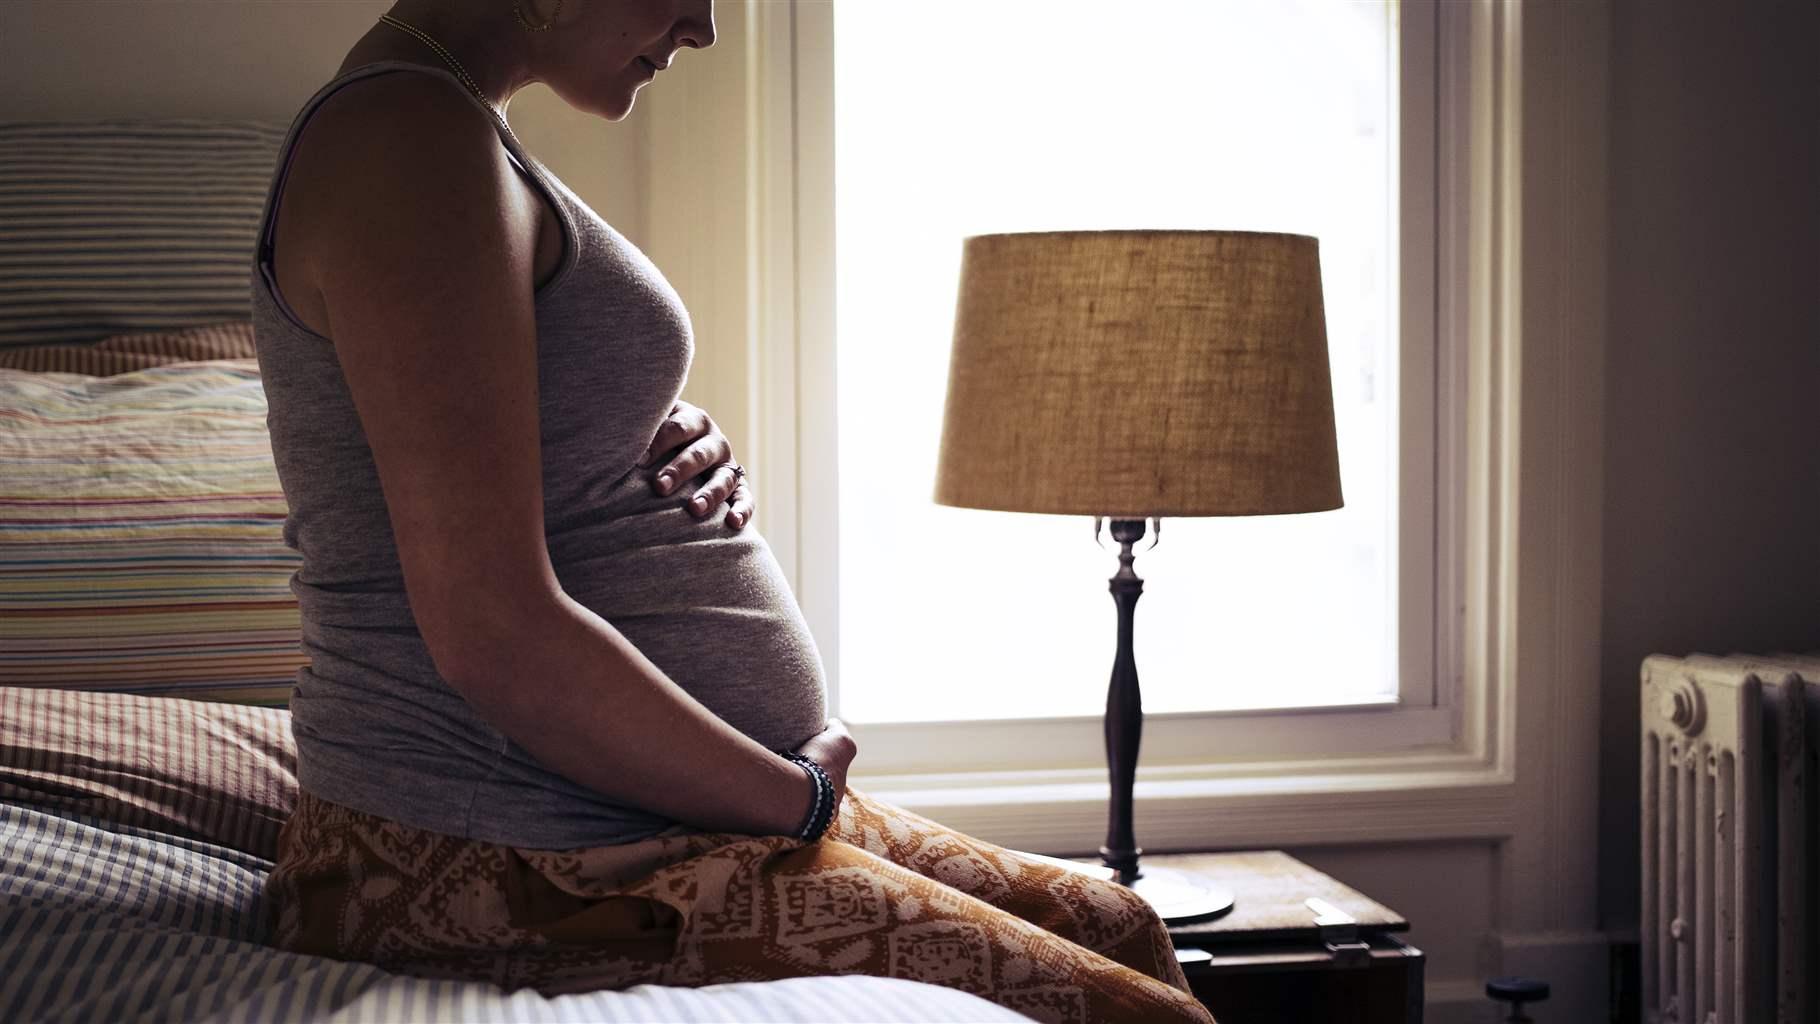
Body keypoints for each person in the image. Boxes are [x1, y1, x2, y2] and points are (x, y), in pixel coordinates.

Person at [250, 2, 1214, 1021]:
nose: (702, 26)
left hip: (615, 812)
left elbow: (483, 433)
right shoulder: (404, 137)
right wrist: (792, 800)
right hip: (502, 855)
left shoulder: (444, 122)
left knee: (1122, 923)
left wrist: (640, 427)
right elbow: (488, 629)